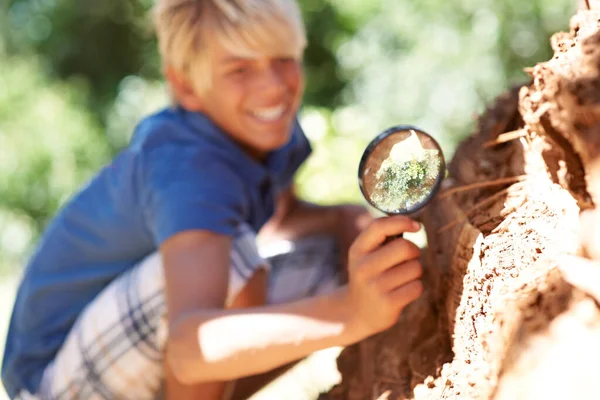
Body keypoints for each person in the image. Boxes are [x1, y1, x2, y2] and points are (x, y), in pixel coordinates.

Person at [1, 1, 425, 399]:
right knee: (241, 261)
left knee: (332, 261)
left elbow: (284, 219)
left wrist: (348, 219)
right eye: (239, 69)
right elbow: (191, 345)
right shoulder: (189, 167)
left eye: (282, 59)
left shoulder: (265, 129)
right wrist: (349, 312)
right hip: (54, 382)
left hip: (132, 352)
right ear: (186, 86)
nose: (273, 87)